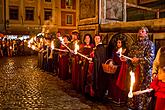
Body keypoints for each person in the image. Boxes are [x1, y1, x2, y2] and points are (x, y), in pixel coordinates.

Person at [126, 27, 155, 110]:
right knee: (133, 87)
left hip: (145, 73)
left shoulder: (150, 44)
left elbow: (150, 59)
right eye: (139, 31)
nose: (140, 33)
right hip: (134, 72)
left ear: (146, 33)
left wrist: (138, 60)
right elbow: (130, 56)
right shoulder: (134, 44)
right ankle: (132, 106)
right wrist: (127, 59)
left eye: (142, 31)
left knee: (143, 91)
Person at [108, 36, 128, 105]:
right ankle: (114, 97)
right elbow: (113, 58)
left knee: (120, 83)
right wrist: (111, 62)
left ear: (122, 43)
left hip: (122, 69)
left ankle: (120, 99)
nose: (118, 44)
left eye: (119, 42)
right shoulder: (115, 50)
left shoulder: (126, 50)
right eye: (117, 42)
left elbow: (127, 59)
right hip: (115, 68)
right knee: (113, 83)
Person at [90, 34, 107, 100]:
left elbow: (99, 59)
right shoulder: (96, 47)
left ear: (100, 39)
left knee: (98, 80)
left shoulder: (101, 48)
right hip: (96, 66)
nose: (96, 40)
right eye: (95, 38)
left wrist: (93, 59)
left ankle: (98, 95)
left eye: (98, 38)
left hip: (99, 67)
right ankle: (95, 94)